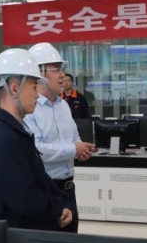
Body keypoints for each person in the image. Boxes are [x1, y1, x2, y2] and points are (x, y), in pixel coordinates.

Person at [0, 48, 76, 231]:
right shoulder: (4, 139)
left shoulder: (17, 131)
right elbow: (24, 197)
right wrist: (57, 209)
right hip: (21, 237)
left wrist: (63, 203)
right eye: (34, 87)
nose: (37, 94)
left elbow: (40, 178)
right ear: (14, 89)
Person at [25, 43, 95, 233]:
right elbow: (37, 150)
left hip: (68, 189)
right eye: (56, 70)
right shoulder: (30, 109)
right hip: (46, 189)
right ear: (39, 73)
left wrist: (81, 149)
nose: (62, 75)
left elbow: (74, 136)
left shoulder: (63, 105)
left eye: (61, 69)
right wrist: (73, 150)